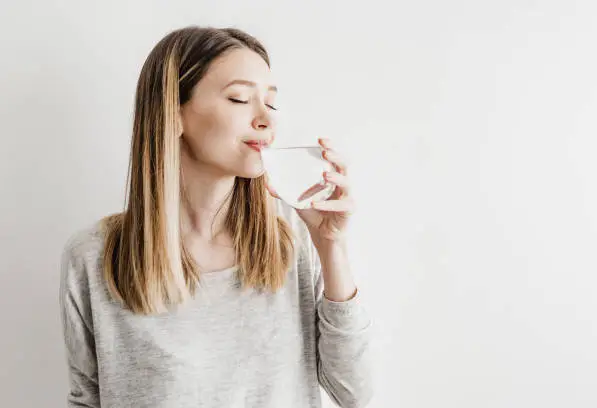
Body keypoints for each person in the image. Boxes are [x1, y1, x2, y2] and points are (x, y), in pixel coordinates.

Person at [59, 25, 372, 408]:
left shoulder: (292, 240)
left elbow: (355, 393)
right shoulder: (93, 257)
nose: (266, 120)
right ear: (173, 114)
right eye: (240, 99)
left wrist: (332, 248)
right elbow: (86, 400)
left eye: (270, 103)